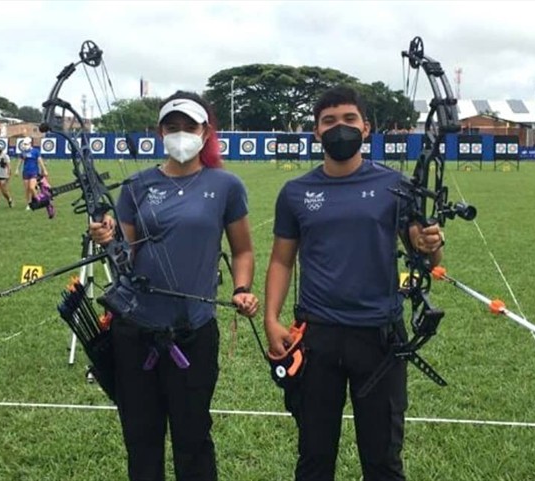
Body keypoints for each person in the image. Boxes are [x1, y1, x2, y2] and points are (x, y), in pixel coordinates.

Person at [263, 86, 445, 481]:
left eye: (349, 119)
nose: (339, 128)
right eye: (329, 121)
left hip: (380, 337)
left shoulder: (395, 186)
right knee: (314, 456)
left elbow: (424, 254)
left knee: (382, 459)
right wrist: (271, 319)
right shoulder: (296, 192)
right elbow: (281, 259)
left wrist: (432, 244)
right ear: (316, 132)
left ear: (366, 127)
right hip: (317, 336)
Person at [89, 90, 259, 481]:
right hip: (134, 332)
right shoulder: (136, 186)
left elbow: (243, 250)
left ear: (206, 131)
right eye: (172, 127)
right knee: (141, 439)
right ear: (159, 131)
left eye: (190, 126)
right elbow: (124, 257)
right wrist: (107, 237)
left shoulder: (226, 185)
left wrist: (241, 288)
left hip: (193, 331)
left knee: (194, 437)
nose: (181, 134)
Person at [15, 137, 47, 210]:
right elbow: (20, 161)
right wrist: (17, 169)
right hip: (26, 172)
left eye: (26, 144)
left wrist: (44, 170)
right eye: (24, 144)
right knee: (27, 190)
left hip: (34, 172)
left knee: (32, 187)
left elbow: (40, 161)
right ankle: (29, 204)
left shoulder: (36, 151)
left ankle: (38, 200)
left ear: (30, 144)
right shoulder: (23, 152)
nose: (25, 145)